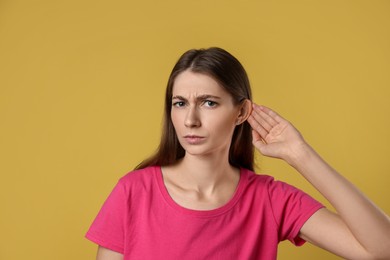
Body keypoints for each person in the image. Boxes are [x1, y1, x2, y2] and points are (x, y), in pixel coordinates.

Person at [86, 47, 390, 260]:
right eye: (180, 103)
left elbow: (381, 248)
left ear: (242, 111)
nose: (190, 119)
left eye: (208, 103)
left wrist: (301, 155)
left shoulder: (270, 199)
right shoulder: (133, 191)